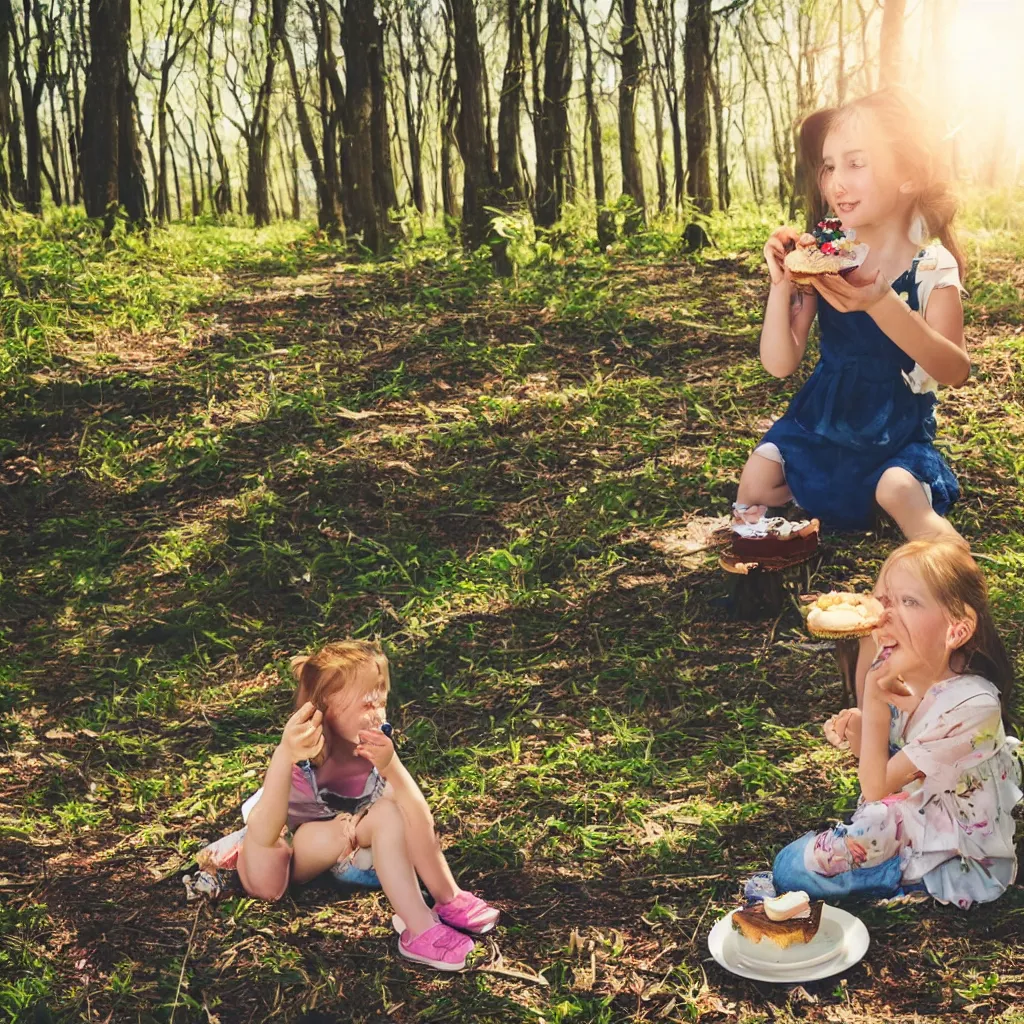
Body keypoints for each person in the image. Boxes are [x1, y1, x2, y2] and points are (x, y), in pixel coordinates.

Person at [735, 88, 970, 547]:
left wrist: (881, 303)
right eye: (829, 165)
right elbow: (780, 363)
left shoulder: (929, 265)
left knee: (897, 488)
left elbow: (955, 369)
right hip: (822, 418)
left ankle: (948, 558)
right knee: (758, 478)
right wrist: (782, 283)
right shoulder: (828, 254)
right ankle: (759, 563)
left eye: (856, 163)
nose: (835, 182)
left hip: (894, 429)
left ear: (907, 175)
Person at [205, 640, 499, 970]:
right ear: (324, 710)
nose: (377, 715)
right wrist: (284, 754)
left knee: (396, 807)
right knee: (271, 871)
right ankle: (419, 931)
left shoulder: (372, 748)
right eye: (365, 707)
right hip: (298, 849)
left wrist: (392, 766)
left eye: (381, 704)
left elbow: (417, 815)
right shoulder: (303, 761)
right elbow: (266, 833)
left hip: (353, 842)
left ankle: (447, 897)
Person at [772, 541, 1021, 907]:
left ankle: (906, 876)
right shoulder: (914, 672)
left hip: (955, 848)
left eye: (909, 602)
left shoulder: (973, 705)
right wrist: (862, 727)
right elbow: (897, 758)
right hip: (921, 794)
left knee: (790, 869)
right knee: (803, 860)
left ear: (956, 630)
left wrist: (872, 697)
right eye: (882, 600)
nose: (884, 616)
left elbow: (875, 787)